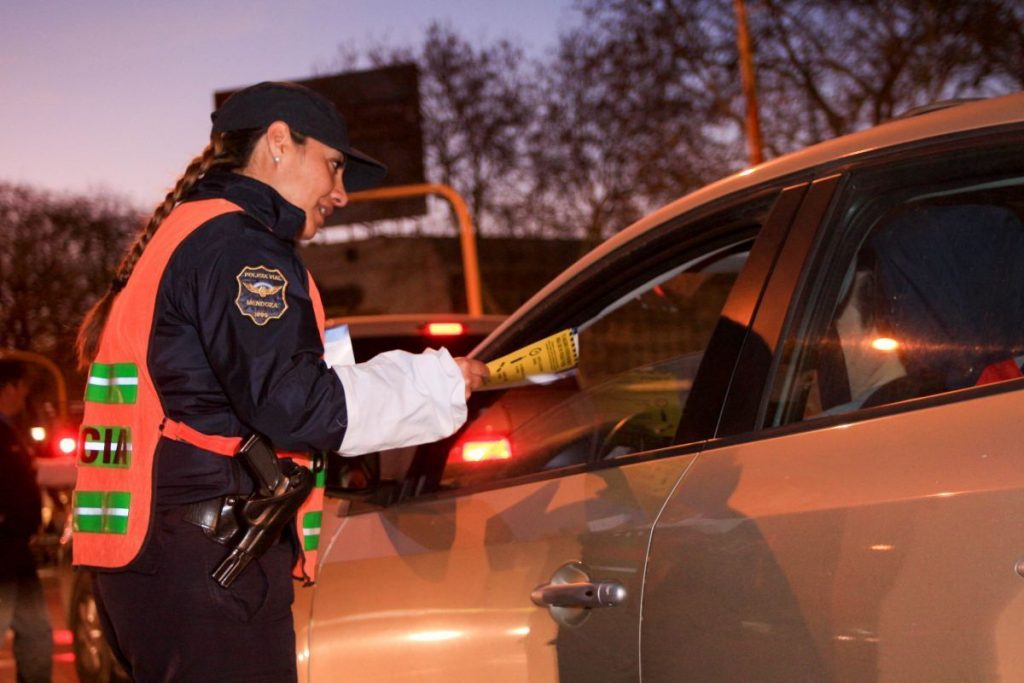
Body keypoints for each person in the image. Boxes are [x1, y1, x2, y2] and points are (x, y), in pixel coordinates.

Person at [72, 81, 488, 683]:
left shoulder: (195, 234)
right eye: (334, 165)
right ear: (278, 142)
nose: (341, 193)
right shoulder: (239, 246)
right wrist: (434, 382)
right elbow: (293, 403)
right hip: (207, 563)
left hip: (163, 557)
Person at [0, 359, 53, 683]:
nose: (25, 396)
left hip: (16, 549)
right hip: (4, 548)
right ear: (9, 387)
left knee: (36, 634)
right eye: (23, 388)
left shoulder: (10, 431)